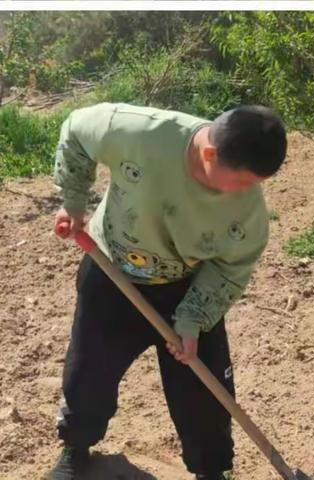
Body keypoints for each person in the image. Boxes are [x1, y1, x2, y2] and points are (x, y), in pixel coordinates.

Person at [48, 102, 287, 480]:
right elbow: (76, 129)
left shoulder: (249, 213)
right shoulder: (138, 133)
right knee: (88, 373)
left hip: (187, 286)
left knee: (204, 391)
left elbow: (230, 267)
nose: (248, 192)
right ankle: (76, 450)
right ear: (210, 154)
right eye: (242, 181)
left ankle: (211, 470)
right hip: (112, 272)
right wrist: (74, 203)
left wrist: (192, 319)